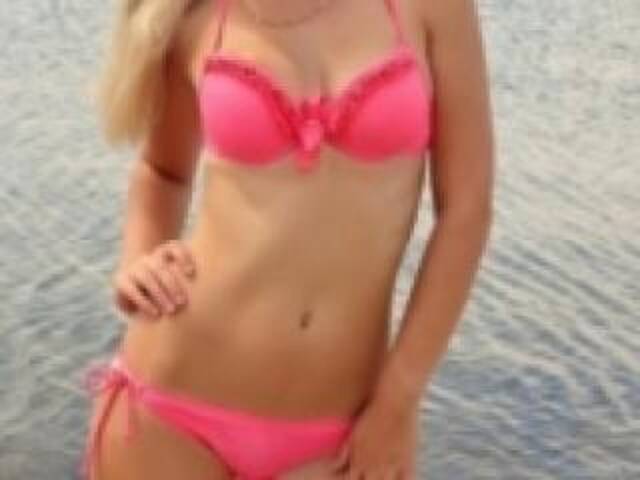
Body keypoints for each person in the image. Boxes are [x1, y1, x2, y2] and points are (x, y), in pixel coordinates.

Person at [80, 0, 494, 478]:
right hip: (172, 409)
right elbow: (163, 172)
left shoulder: (432, 9)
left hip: (344, 432)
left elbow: (467, 210)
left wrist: (399, 399)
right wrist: (139, 259)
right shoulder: (201, 14)